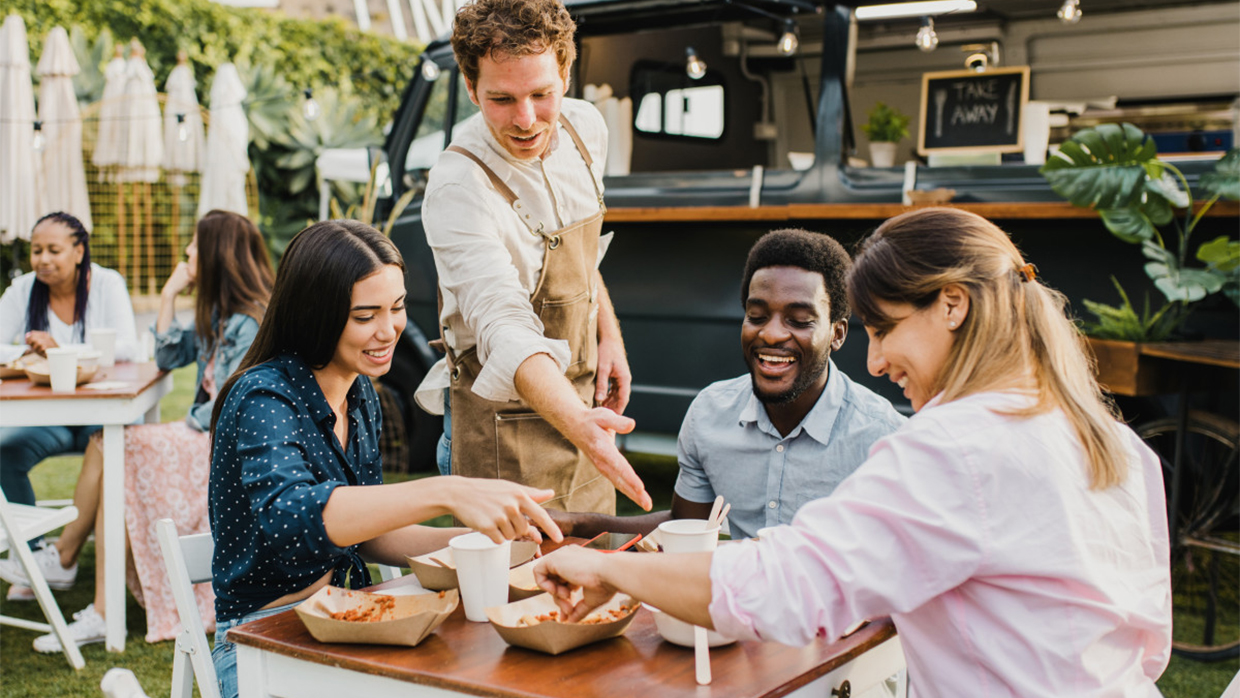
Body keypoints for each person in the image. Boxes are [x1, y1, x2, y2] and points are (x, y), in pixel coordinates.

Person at [534, 208, 1171, 696]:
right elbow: (1151, 644)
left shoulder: (951, 448)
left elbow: (791, 586)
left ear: (952, 304)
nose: (874, 360)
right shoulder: (1112, 440)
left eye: (885, 327)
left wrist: (610, 570)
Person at [208, 219, 561, 698]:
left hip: (349, 617)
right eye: (364, 315)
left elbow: (369, 532)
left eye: (396, 308)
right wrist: (448, 491)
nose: (388, 329)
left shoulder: (360, 395)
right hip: (263, 636)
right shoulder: (264, 397)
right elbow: (292, 522)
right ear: (316, 313)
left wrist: (492, 539)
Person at [413, 0, 649, 514]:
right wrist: (581, 423)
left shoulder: (587, 130)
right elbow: (504, 325)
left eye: (542, 94)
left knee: (595, 582)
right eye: (501, 99)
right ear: (471, 88)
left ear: (566, 73)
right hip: (497, 433)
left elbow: (583, 259)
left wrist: (609, 336)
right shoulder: (458, 186)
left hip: (583, 410)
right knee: (506, 591)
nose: (526, 120)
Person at [1, 211, 275, 652]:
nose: (186, 254)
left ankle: (71, 568)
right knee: (112, 444)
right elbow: (167, 357)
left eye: (193, 247)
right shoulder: (220, 312)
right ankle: (77, 577)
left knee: (115, 445)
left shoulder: (250, 321)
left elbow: (231, 402)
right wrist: (168, 295)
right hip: (203, 435)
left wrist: (186, 426)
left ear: (217, 255)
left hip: (217, 441)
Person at [552, 229, 905, 541]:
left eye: (799, 320)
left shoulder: (882, 438)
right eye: (757, 316)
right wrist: (574, 524)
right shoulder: (709, 414)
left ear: (837, 334)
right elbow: (685, 528)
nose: (771, 333)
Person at [0, 212, 138, 599]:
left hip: (103, 415)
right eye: (36, 250)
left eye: (53, 250)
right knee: (4, 452)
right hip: (53, 418)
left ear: (78, 252)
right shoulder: (23, 290)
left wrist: (63, 352)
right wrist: (29, 347)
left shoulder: (108, 284)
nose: (43, 259)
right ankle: (33, 559)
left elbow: (126, 346)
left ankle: (65, 557)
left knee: (114, 446)